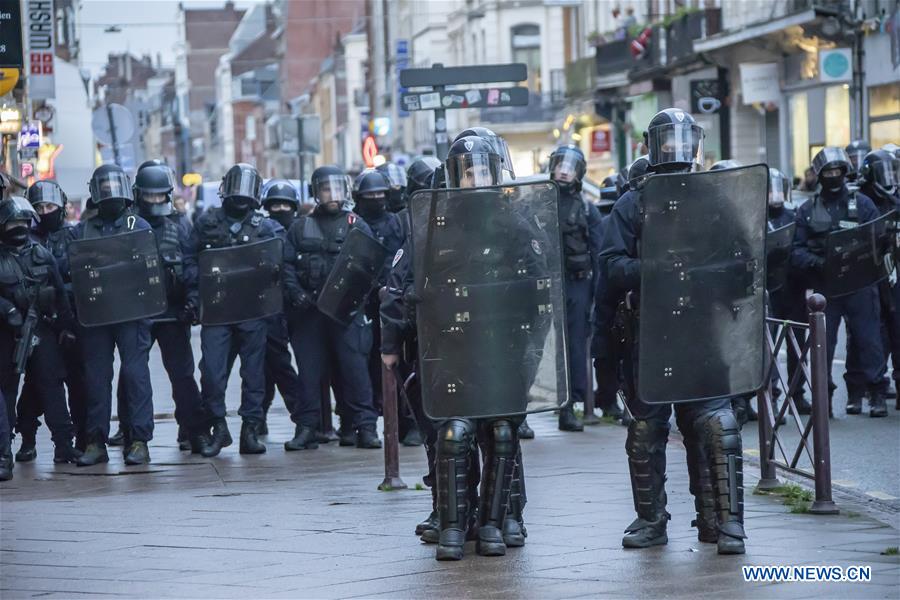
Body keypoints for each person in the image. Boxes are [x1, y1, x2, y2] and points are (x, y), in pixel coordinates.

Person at [600, 108, 748, 555]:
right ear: (652, 146)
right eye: (666, 141)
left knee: (718, 427)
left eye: (681, 141)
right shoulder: (634, 203)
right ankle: (651, 520)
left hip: (703, 332)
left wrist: (715, 273)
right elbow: (609, 266)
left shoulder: (715, 200)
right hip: (651, 336)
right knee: (646, 430)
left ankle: (722, 522)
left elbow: (742, 263)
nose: (675, 150)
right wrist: (653, 269)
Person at [384, 136, 539, 561]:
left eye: (484, 170)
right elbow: (399, 287)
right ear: (454, 176)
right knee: (453, 436)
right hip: (449, 347)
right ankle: (454, 522)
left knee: (503, 434)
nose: (477, 179)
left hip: (502, 347)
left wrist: (531, 343)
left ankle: (503, 518)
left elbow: (541, 288)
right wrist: (393, 338)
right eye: (469, 172)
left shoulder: (515, 223)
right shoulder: (434, 224)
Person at [282, 165, 382, 450]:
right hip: (310, 312)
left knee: (355, 370)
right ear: (316, 192)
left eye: (337, 188)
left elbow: (369, 266)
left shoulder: (356, 224)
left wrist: (355, 300)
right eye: (326, 189)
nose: (333, 195)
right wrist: (296, 293)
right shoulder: (300, 227)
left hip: (345, 313)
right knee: (309, 373)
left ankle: (366, 427)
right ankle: (306, 428)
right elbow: (286, 266)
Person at [187, 163, 282, 457]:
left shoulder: (266, 227)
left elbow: (279, 266)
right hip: (217, 311)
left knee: (254, 375)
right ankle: (218, 426)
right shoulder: (206, 223)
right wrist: (195, 294)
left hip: (253, 311)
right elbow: (191, 261)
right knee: (212, 374)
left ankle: (250, 430)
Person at [113, 162, 206, 452]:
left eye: (159, 196)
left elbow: (190, 264)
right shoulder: (127, 223)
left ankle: (193, 430)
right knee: (132, 374)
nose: (154, 202)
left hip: (172, 311)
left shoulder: (179, 225)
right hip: (137, 311)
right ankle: (130, 430)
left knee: (182, 376)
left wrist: (193, 299)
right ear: (139, 195)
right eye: (149, 196)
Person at [792, 147, 887, 418]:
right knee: (823, 345)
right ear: (819, 175)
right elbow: (796, 251)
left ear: (845, 173)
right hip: (827, 287)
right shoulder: (808, 209)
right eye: (828, 172)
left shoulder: (863, 203)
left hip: (859, 283)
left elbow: (878, 238)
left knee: (870, 341)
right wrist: (817, 262)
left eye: (838, 172)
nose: (834, 176)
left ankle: (876, 393)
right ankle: (824, 397)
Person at [72, 165, 156, 466]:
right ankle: (95, 441)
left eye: (113, 186)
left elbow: (150, 268)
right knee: (96, 377)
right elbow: (71, 270)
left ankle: (139, 440)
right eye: (103, 188)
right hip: (97, 314)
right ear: (95, 192)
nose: (109, 193)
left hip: (132, 312)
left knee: (136, 376)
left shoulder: (139, 225)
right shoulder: (83, 230)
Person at [0, 196, 79, 470]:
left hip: (42, 329)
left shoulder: (41, 254)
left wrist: (66, 327)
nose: (18, 227)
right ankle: (5, 450)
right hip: (8, 334)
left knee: (52, 385)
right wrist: (7, 310)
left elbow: (59, 294)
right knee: (7, 390)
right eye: (12, 223)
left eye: (22, 222)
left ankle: (64, 445)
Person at [20, 180, 88, 453]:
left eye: (50, 206)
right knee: (40, 382)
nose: (45, 211)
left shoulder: (75, 236)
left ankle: (82, 437)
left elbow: (86, 273)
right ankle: (30, 435)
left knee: (79, 381)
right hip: (42, 322)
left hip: (74, 318)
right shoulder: (27, 240)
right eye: (39, 207)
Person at [351, 169, 417, 444]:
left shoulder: (396, 222)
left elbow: (398, 261)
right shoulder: (354, 221)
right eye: (370, 195)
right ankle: (362, 421)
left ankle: (407, 423)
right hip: (363, 303)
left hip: (395, 301)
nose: (377, 199)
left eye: (381, 194)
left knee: (401, 362)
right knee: (362, 363)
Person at [549, 145, 604, 432]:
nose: (563, 169)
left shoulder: (586, 208)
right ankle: (521, 413)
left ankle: (569, 406)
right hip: (546, 286)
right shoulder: (540, 203)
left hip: (577, 284)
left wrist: (596, 293)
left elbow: (598, 252)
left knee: (573, 347)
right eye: (560, 164)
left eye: (569, 166)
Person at [257, 179, 304, 440]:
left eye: (286, 204)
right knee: (263, 366)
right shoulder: (263, 230)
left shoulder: (299, 231)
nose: (281, 209)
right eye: (275, 205)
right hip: (266, 307)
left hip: (290, 308)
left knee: (279, 364)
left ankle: (302, 415)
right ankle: (263, 415)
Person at [858, 149, 900, 410]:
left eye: (892, 171)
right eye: (883, 172)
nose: (889, 178)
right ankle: (872, 386)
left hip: (893, 272)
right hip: (870, 275)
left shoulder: (896, 199)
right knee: (872, 333)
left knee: (896, 326)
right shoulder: (861, 199)